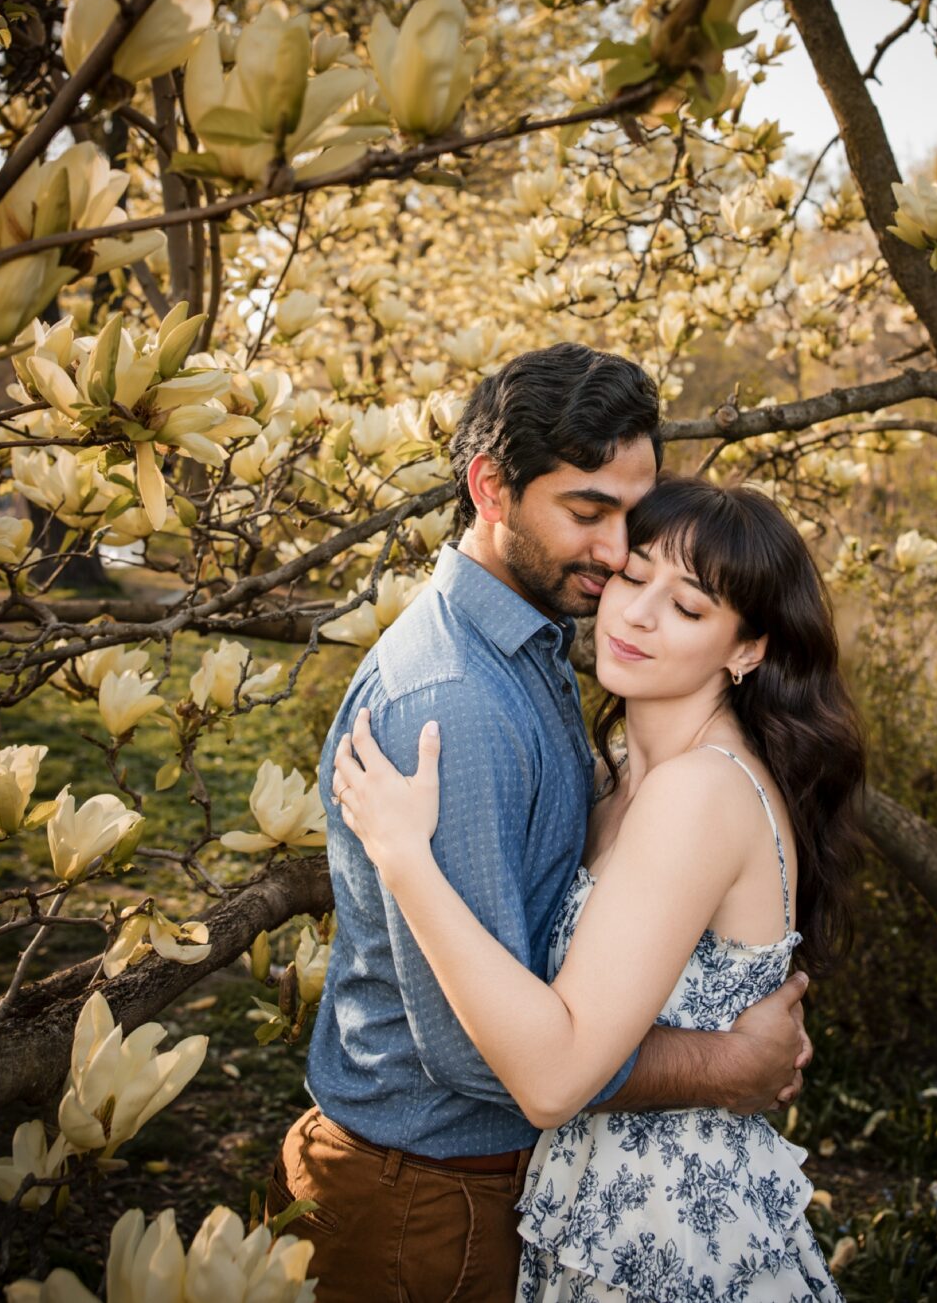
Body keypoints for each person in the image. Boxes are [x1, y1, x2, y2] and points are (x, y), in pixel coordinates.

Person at [272, 344, 815, 1303]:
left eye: (632, 521)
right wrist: (724, 1061)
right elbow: (492, 1055)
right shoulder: (459, 701)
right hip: (429, 1194)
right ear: (491, 487)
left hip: (587, 1213)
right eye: (587, 513)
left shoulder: (541, 649)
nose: (615, 561)